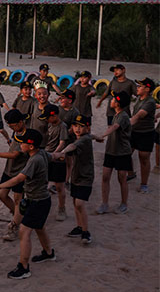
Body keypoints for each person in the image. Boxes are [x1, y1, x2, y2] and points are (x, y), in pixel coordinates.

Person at [0, 129, 56, 280]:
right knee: (39, 227)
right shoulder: (41, 153)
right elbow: (53, 156)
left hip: (37, 201)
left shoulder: (34, 160)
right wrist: (62, 155)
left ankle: (23, 267)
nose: (20, 145)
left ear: (30, 146)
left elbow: (19, 179)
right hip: (39, 199)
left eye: (22, 143)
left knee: (24, 232)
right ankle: (48, 253)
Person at [0, 109, 31, 241]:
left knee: (18, 199)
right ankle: (19, 216)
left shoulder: (26, 135)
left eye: (13, 126)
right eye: (10, 127)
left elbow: (14, 154)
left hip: (20, 172)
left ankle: (15, 226)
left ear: (21, 122)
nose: (12, 129)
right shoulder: (17, 131)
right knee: (1, 195)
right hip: (9, 170)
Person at [51, 114, 94, 245]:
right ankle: (79, 227)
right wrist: (97, 137)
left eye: (81, 126)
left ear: (87, 128)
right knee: (76, 203)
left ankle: (86, 232)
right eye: (75, 126)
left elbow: (73, 146)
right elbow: (91, 136)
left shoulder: (83, 139)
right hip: (76, 175)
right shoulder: (83, 137)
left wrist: (62, 152)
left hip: (85, 177)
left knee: (80, 203)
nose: (77, 129)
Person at [93, 91, 132, 215]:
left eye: (113, 99)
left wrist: (101, 135)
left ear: (118, 103)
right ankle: (104, 204)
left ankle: (124, 204)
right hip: (111, 151)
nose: (111, 101)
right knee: (105, 177)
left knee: (122, 178)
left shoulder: (123, 116)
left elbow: (114, 127)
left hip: (122, 152)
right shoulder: (116, 114)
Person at [38, 104, 68, 221]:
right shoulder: (49, 124)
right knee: (43, 184)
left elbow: (62, 143)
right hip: (47, 155)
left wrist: (54, 154)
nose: (46, 119)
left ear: (54, 115)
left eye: (48, 117)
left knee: (60, 186)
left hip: (57, 159)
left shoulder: (63, 126)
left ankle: (62, 208)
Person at [129, 78, 157, 193]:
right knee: (126, 153)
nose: (137, 88)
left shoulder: (149, 102)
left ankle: (144, 184)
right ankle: (131, 174)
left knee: (144, 158)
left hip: (146, 134)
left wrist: (127, 124)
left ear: (147, 89)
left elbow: (139, 115)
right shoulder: (139, 99)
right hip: (134, 132)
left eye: (140, 86)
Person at [30, 80, 51, 149]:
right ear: (35, 95)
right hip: (33, 138)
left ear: (49, 94)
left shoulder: (50, 109)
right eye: (39, 94)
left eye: (44, 94)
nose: (42, 96)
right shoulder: (35, 105)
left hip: (44, 142)